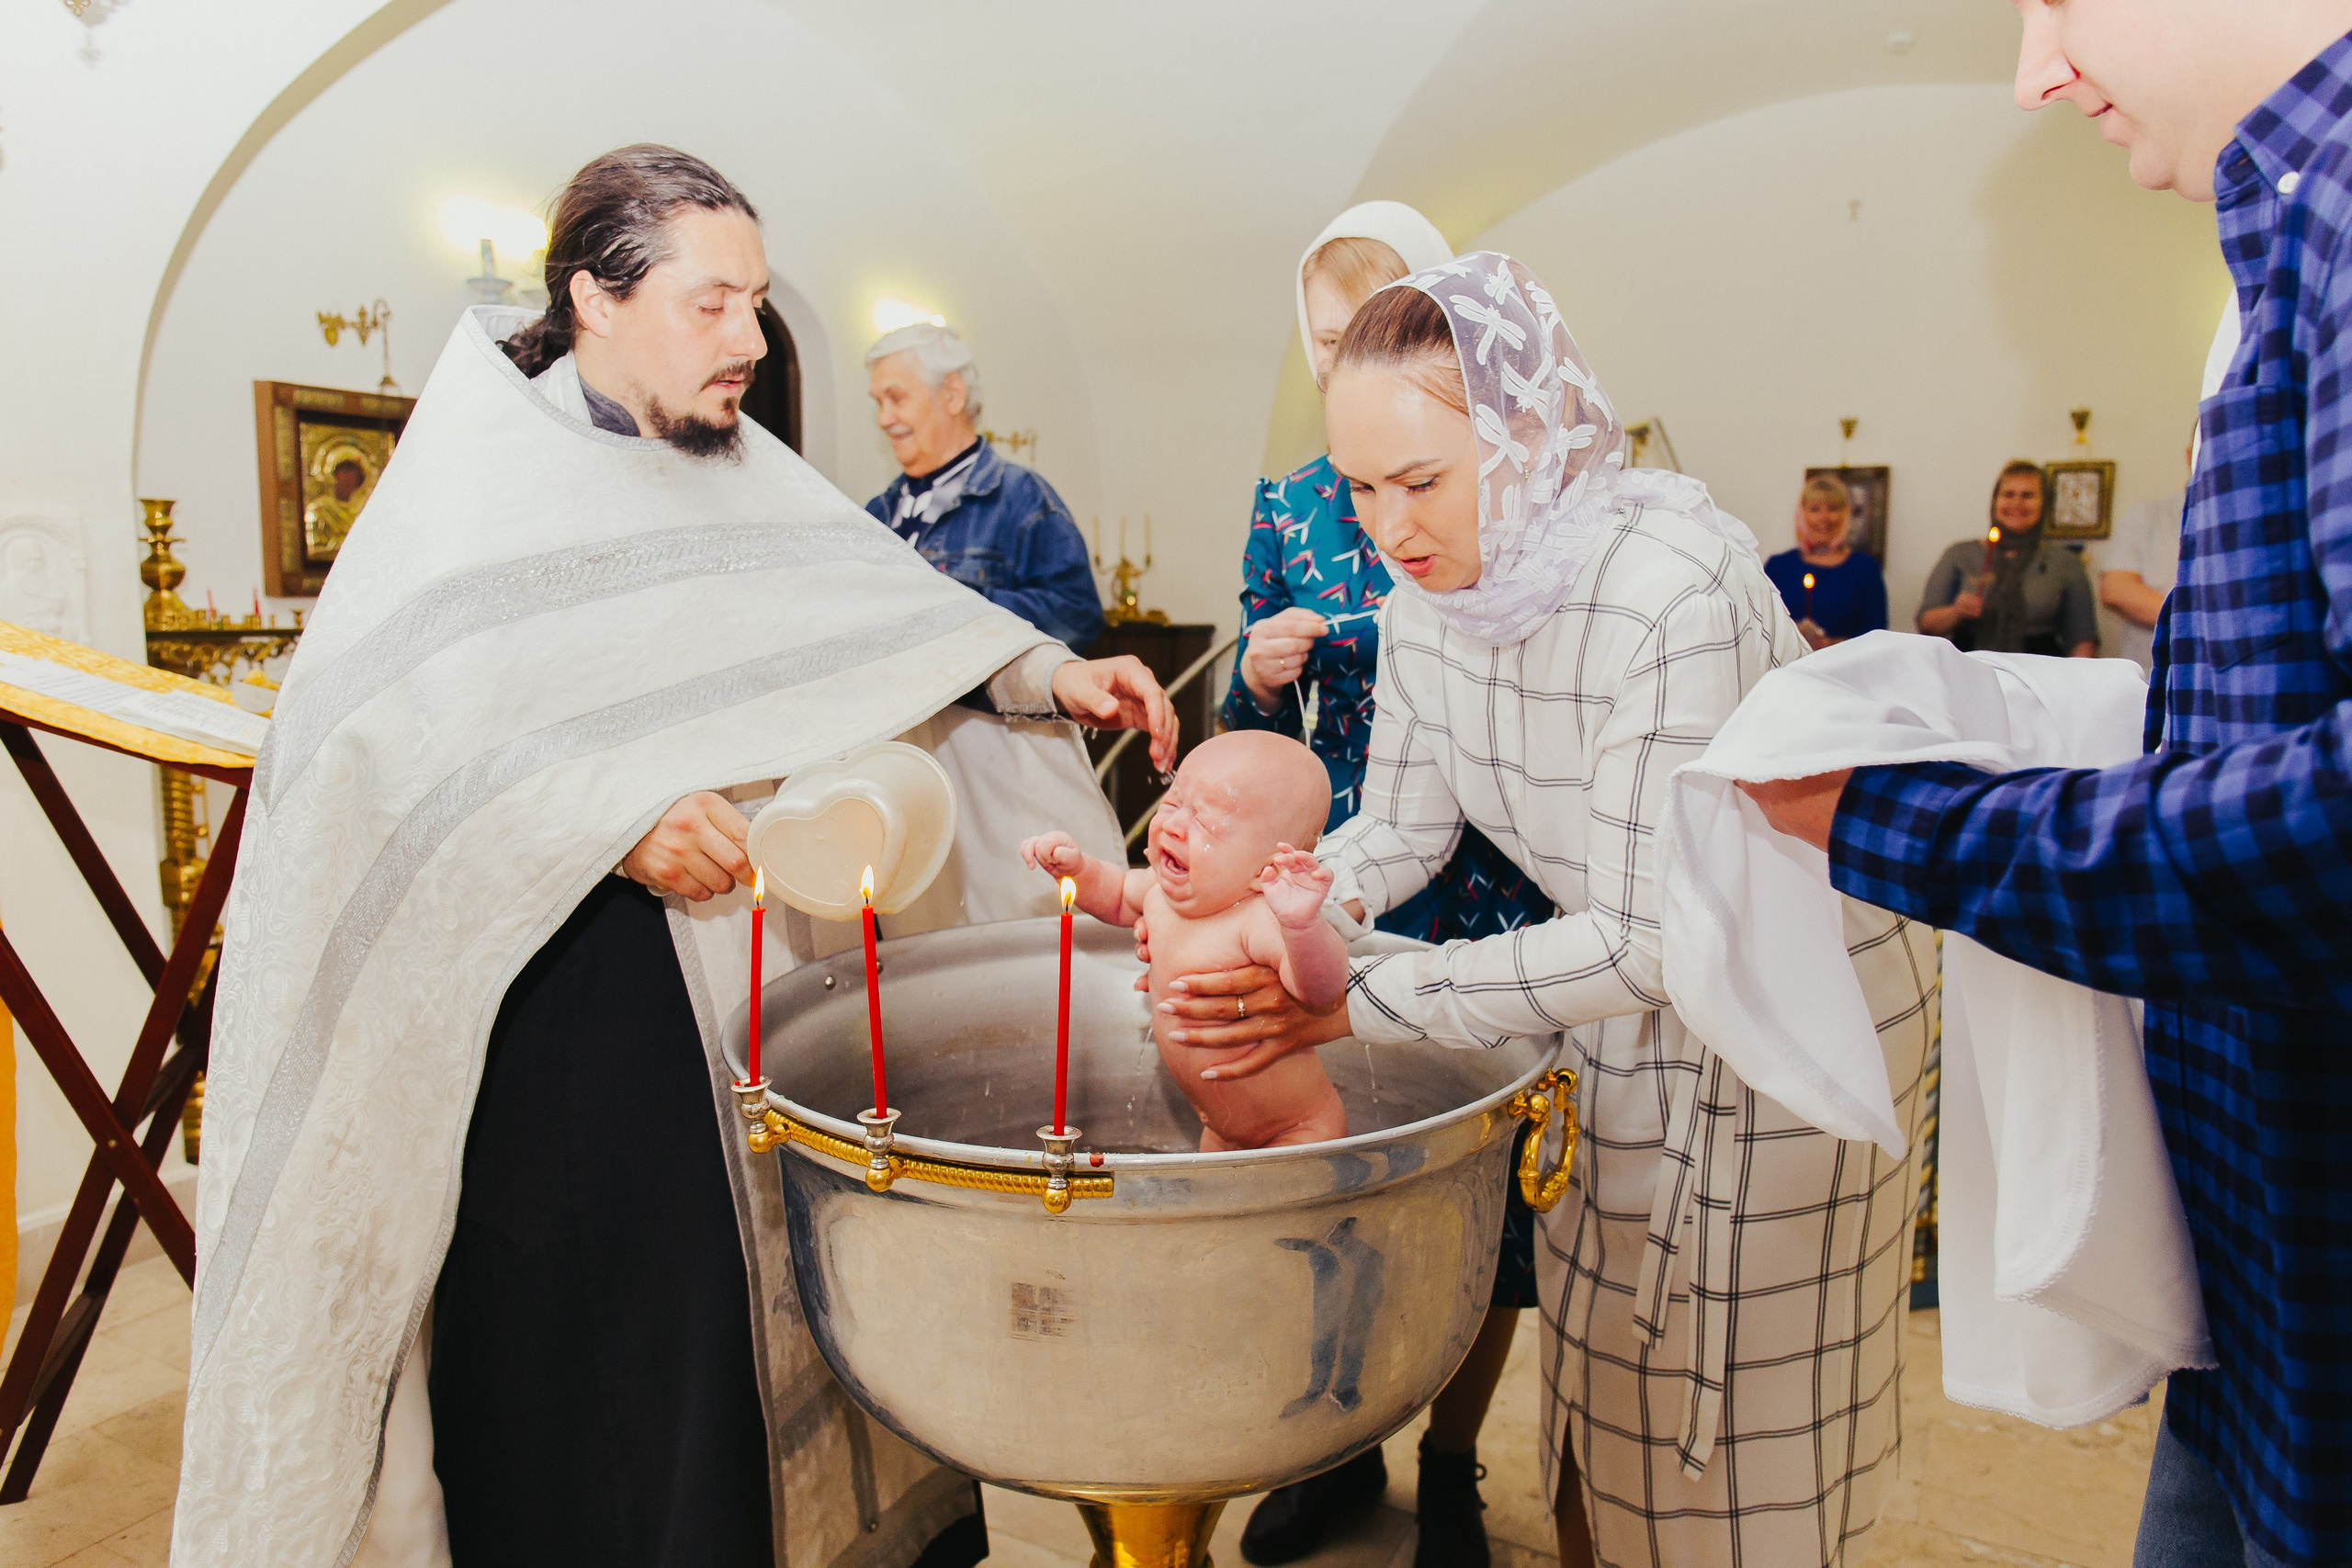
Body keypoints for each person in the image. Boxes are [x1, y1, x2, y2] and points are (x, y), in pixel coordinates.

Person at [171, 143, 1175, 1568]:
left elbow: (880, 624)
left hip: (773, 986)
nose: (751, 342)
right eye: (714, 305)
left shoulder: (746, 472)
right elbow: (370, 751)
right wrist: (609, 813)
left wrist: (1039, 675)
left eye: (757, 305)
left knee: (810, 1318)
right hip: (581, 1017)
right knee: (640, 1386)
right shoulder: (477, 484)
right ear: (595, 295)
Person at [1157, 253, 1937, 1568]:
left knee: (1732, 1435)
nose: (1390, 528)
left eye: (1422, 481)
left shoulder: (1667, 589)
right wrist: (1248, 914)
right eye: (1359, 486)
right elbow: (1400, 829)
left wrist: (1350, 995)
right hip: (1615, 993)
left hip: (1785, 1004)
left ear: (1530, 438)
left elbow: (1650, 933)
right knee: (1600, 1386)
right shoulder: (1424, 599)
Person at [1738, 6, 2352, 1565]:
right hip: (2272, 1283)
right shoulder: (2293, 225)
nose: (2036, 72)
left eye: (2061, 1)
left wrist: (1907, 821)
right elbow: (2267, 706)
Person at [1217, 203, 1558, 1568]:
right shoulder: (1293, 499)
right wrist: (1265, 664)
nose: (1333, 358)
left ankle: (1456, 1457)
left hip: (1502, 865)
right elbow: (1251, 667)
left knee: (1487, 1193)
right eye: (1316, 342)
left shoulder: (1503, 477)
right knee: (1340, 1173)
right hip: (1359, 844)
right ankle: (1337, 1442)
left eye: (1362, 328)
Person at [1023, 731, 1348, 1150]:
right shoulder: (1158, 894)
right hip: (1220, 1130)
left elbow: (1322, 990)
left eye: (1207, 822)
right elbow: (1116, 894)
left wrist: (1303, 926)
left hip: (1298, 1130)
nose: (1173, 826)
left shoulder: (1258, 920)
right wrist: (1077, 869)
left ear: (1267, 870)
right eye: (1173, 804)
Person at [865, 323, 1104, 651]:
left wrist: (954, 604)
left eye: (896, 398)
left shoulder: (1021, 497)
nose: (883, 418)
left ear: (952, 395)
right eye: (878, 402)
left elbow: (1077, 617)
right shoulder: (876, 513)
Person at [1917, 460, 2099, 656]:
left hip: (2037, 673)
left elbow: (2082, 639)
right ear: (1995, 501)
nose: (2016, 503)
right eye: (2008, 494)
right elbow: (1926, 624)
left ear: (2045, 504)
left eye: (2028, 495)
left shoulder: (2065, 562)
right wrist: (1956, 612)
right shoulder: (1960, 554)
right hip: (1968, 668)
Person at [2100, 435, 2193, 673]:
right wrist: (2204, 623)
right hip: (2152, 682)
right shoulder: (2150, 515)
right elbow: (2116, 589)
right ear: (2189, 454)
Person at [1763, 472, 1886, 649]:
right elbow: (1761, 625)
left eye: (1833, 508)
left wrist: (1830, 644)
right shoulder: (1777, 566)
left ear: (1846, 513)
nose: (1824, 518)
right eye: (1815, 509)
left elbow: (1877, 636)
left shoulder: (1865, 569)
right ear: (1802, 513)